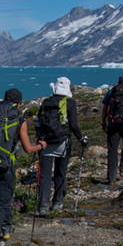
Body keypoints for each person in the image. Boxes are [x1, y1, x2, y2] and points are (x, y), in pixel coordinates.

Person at [0, 88, 45, 246]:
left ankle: (6, 229)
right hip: (5, 165)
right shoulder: (19, 120)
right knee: (1, 201)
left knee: (4, 196)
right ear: (19, 103)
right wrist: (41, 146)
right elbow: (28, 149)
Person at [34, 77, 87, 214]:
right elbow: (74, 125)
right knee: (60, 172)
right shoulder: (70, 102)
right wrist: (81, 139)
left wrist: (40, 138)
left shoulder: (46, 102)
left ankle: (43, 206)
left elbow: (38, 122)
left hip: (45, 143)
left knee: (45, 175)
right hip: (63, 142)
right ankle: (57, 202)